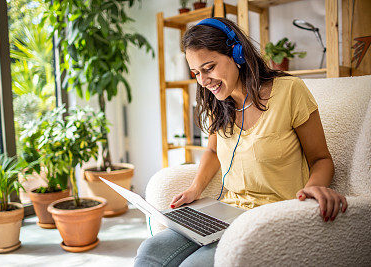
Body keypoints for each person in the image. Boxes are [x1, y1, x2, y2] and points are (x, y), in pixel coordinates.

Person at [135, 17, 347, 267]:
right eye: (196, 73)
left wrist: (314, 187)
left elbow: (320, 158)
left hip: (272, 216)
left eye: (209, 68)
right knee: (150, 250)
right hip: (226, 212)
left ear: (237, 54)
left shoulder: (290, 91)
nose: (203, 81)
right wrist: (195, 189)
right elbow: (213, 150)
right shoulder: (218, 102)